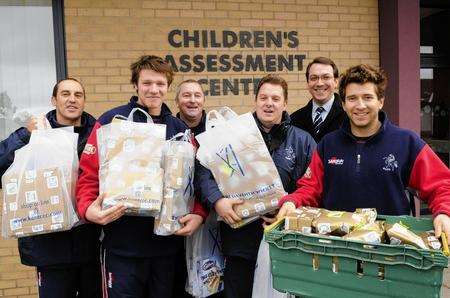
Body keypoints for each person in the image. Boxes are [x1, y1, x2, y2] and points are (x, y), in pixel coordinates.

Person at [75, 55, 207, 298]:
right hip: (122, 246)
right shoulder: (111, 121)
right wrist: (87, 209)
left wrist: (198, 212)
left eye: (160, 83)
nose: (153, 90)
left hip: (167, 247)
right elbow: (89, 174)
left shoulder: (179, 130)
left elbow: (196, 180)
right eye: (147, 83)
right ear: (135, 85)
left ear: (168, 87)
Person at [277, 64, 450, 239]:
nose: (360, 105)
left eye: (368, 97)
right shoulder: (328, 144)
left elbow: (441, 184)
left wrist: (444, 212)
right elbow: (310, 188)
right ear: (343, 104)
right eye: (352, 98)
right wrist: (293, 201)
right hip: (337, 247)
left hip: (390, 251)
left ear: (380, 101)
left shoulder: (406, 142)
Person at [195, 74, 316, 298]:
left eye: (275, 98)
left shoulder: (302, 140)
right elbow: (205, 171)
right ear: (256, 101)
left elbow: (313, 186)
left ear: (285, 103)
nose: (269, 103)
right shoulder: (233, 134)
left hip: (284, 239)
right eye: (263, 97)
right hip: (240, 237)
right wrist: (217, 201)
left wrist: (291, 208)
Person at [0, 78, 101, 298]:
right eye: (65, 94)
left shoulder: (98, 134)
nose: (72, 99)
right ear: (54, 100)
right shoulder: (33, 133)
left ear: (84, 101)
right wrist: (24, 135)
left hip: (90, 245)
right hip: (49, 247)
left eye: (78, 95)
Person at [290, 57, 346, 143]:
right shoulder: (294, 119)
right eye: (314, 78)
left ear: (336, 82)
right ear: (307, 83)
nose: (319, 83)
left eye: (326, 77)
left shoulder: (349, 116)